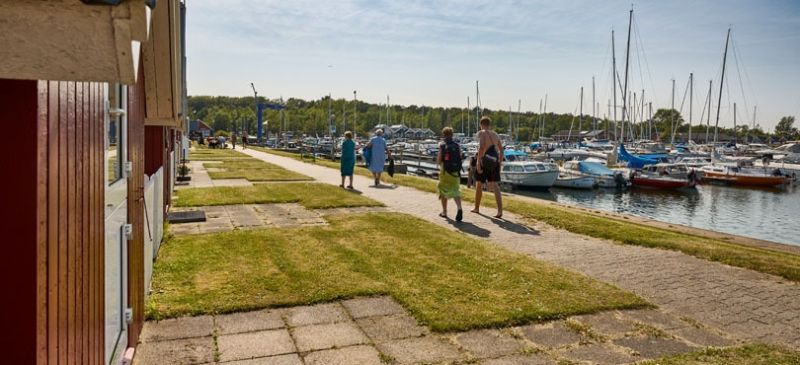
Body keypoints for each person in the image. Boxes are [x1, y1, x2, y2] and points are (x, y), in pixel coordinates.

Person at [472, 116, 503, 218]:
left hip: (484, 162)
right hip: (494, 162)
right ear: (489, 125)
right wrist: (500, 161)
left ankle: (476, 208)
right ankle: (499, 211)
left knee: (479, 184)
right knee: (495, 185)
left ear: (481, 124)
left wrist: (477, 163)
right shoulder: (495, 134)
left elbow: (481, 148)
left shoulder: (482, 133)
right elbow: (501, 150)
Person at [437, 127, 463, 221]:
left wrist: (440, 164)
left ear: (443, 135)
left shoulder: (442, 145)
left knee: (443, 190)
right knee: (455, 189)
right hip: (455, 172)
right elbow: (460, 157)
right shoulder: (457, 145)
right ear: (452, 134)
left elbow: (439, 160)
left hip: (445, 171)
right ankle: (459, 208)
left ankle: (444, 211)